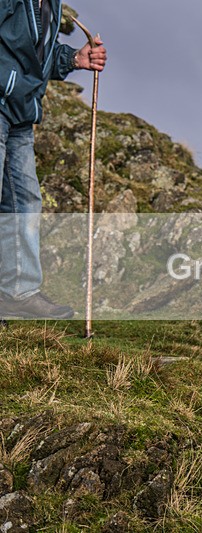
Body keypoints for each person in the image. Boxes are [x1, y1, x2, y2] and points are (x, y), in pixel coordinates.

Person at [0, 0, 107, 319]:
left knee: (25, 201)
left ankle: (18, 293)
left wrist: (73, 58)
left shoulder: (49, 4)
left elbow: (33, 54)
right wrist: (10, 84)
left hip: (19, 114)